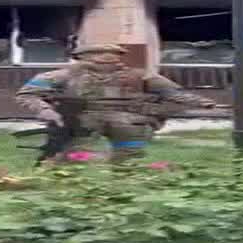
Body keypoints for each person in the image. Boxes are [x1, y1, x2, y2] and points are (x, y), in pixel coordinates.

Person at [14, 43, 221, 163]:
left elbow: (173, 92)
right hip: (82, 120)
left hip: (128, 120)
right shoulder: (61, 75)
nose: (106, 60)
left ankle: (123, 185)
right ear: (83, 57)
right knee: (74, 156)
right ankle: (69, 184)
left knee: (130, 156)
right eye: (99, 56)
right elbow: (27, 94)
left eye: (112, 56)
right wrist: (45, 110)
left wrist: (205, 103)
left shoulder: (139, 76)